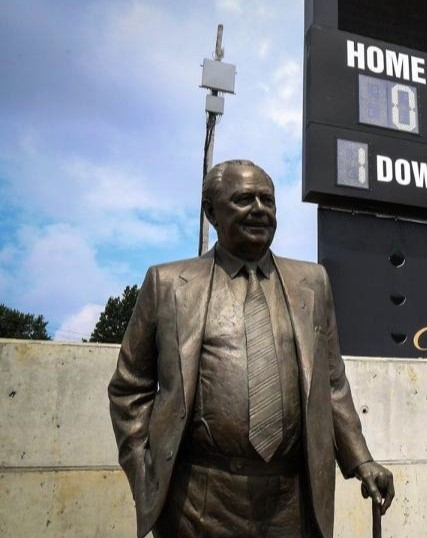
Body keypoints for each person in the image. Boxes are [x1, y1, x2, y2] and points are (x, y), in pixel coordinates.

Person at [108, 159, 393, 538]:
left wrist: (362, 460)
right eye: (243, 199)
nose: (259, 209)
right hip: (197, 501)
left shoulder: (312, 282)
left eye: (267, 200)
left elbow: (331, 384)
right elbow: (130, 388)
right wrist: (146, 475)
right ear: (211, 211)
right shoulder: (168, 285)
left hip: (289, 502)